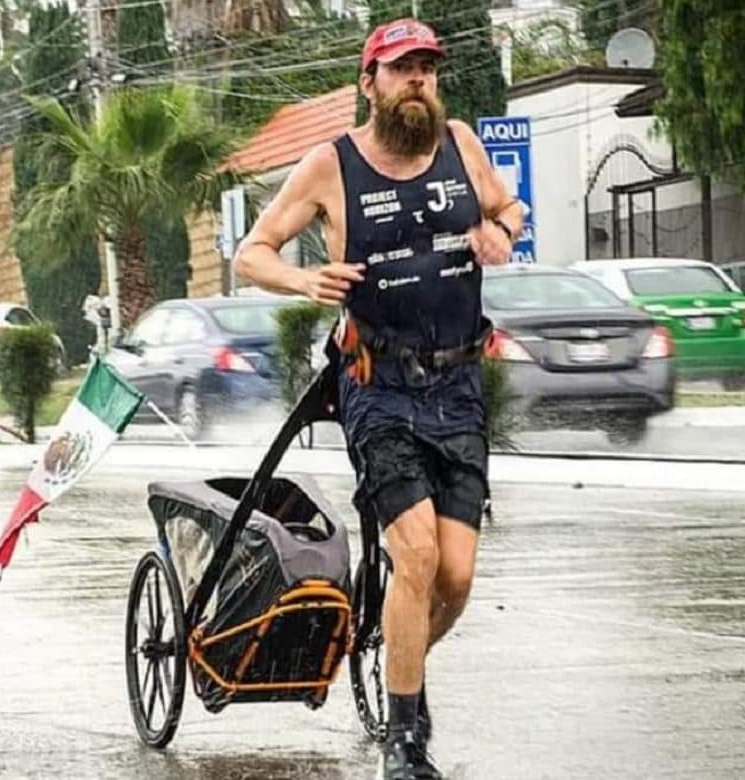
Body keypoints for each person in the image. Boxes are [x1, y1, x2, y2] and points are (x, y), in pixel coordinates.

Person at [233, 18, 524, 780]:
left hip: (459, 385)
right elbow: (249, 253)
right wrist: (303, 279)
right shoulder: (330, 165)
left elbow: (507, 210)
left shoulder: (461, 142)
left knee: (456, 578)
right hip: (379, 386)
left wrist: (503, 231)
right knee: (418, 555)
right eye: (401, 69)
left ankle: (401, 669)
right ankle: (405, 741)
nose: (418, 80)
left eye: (427, 67)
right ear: (371, 84)